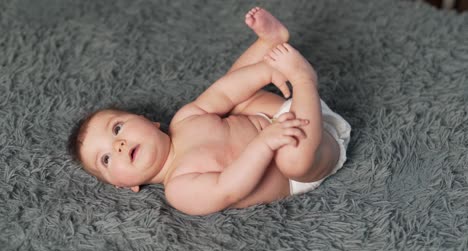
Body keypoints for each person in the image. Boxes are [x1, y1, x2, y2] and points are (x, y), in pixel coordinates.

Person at [69, 7, 351, 216]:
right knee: (292, 161)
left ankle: (269, 45)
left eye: (117, 128)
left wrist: (265, 71)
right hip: (308, 158)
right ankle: (304, 79)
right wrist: (265, 143)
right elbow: (228, 186)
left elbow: (225, 91)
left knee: (233, 95)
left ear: (150, 122)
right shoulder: (179, 190)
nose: (117, 145)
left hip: (282, 113)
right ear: (124, 186)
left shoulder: (184, 119)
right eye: (105, 158)